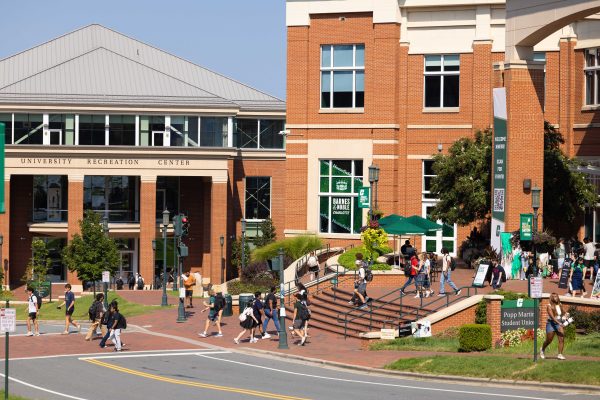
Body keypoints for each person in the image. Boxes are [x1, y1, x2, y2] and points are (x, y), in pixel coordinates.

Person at [540, 293, 567, 360]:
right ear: (551, 298)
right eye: (554, 296)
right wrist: (559, 323)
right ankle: (542, 349)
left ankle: (560, 354)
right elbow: (552, 317)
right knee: (549, 340)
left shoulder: (560, 304)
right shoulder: (549, 306)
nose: (556, 297)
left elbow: (564, 312)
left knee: (561, 338)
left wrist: (566, 315)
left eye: (556, 296)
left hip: (559, 324)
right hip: (551, 324)